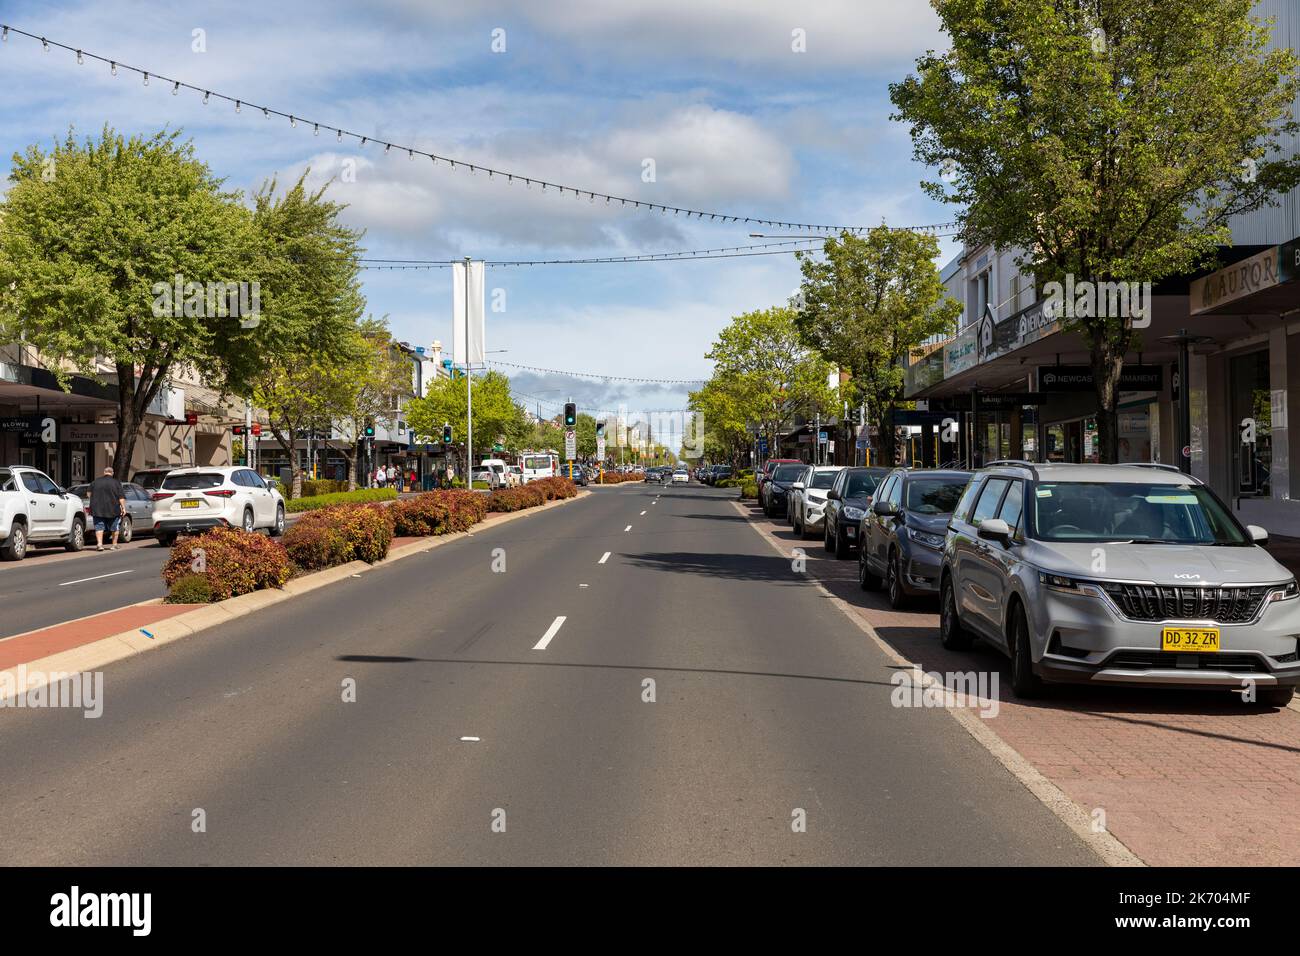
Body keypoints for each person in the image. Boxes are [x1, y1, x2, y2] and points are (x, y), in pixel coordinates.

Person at [88, 466, 127, 552]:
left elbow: (88, 493)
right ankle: (114, 545)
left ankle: (99, 544)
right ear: (112, 473)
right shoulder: (116, 483)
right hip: (113, 508)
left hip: (97, 508)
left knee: (99, 527)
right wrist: (123, 508)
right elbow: (121, 497)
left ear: (104, 472)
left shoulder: (95, 482)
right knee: (114, 527)